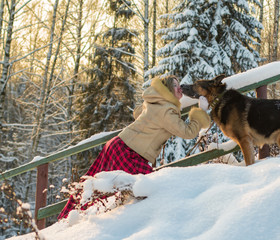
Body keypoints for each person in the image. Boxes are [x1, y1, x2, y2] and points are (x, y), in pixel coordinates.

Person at [58, 75, 211, 219]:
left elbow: (138, 112)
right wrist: (200, 112)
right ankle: (77, 219)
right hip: (128, 152)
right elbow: (188, 132)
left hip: (119, 145)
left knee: (97, 185)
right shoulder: (166, 109)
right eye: (175, 86)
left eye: (179, 85)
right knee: (150, 188)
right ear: (167, 91)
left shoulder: (155, 103)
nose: (180, 88)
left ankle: (68, 216)